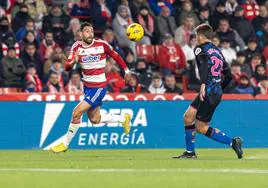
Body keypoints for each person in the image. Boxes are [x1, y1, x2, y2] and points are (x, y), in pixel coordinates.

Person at [51, 22, 132, 153]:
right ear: (81, 33)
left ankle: (65, 144)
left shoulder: (102, 44)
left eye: (92, 31)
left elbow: (116, 56)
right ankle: (123, 118)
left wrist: (126, 71)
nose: (90, 34)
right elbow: (67, 67)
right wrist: (72, 61)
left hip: (99, 86)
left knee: (76, 113)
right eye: (87, 31)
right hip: (88, 87)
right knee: (94, 119)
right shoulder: (76, 46)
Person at [172, 24, 243, 159]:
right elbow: (228, 75)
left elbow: (204, 65)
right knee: (188, 117)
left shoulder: (200, 49)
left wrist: (204, 83)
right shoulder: (218, 51)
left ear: (200, 36)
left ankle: (233, 142)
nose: (196, 38)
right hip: (214, 91)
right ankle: (190, 152)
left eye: (196, 35)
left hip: (208, 91)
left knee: (201, 127)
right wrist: (218, 88)